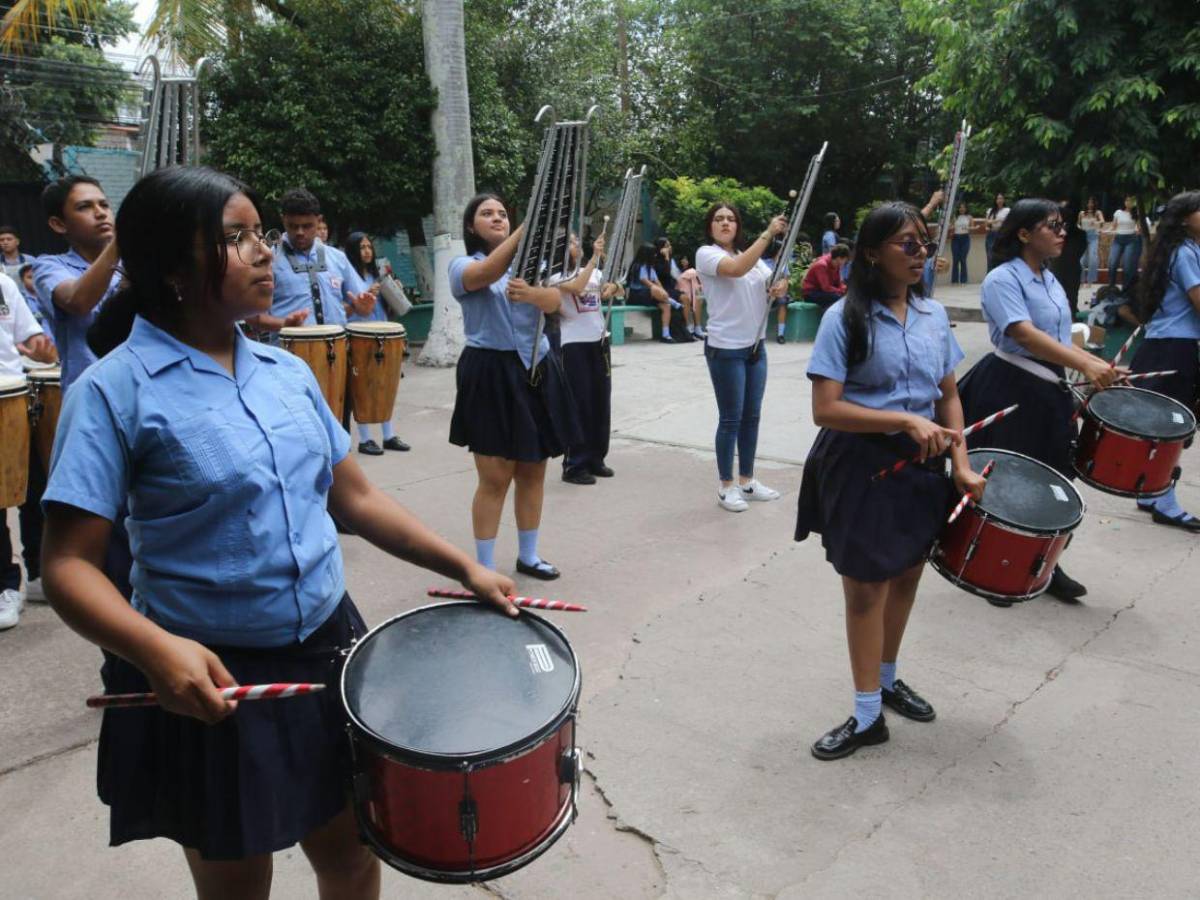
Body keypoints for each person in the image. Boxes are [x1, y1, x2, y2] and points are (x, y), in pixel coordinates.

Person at [38, 166, 518, 897]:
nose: (263, 251)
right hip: (209, 671)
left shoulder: (284, 372)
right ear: (171, 265)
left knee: (355, 855)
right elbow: (69, 565)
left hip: (330, 643)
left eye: (259, 232)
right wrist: (156, 652)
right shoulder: (111, 392)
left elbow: (352, 497)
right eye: (235, 238)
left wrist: (465, 567)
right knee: (237, 885)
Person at [797, 202, 983, 760]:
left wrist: (962, 463)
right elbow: (826, 409)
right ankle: (865, 715)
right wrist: (902, 419)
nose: (920, 253)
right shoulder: (844, 319)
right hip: (861, 464)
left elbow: (948, 393)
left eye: (924, 243)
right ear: (872, 253)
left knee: (905, 575)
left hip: (923, 465)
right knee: (865, 590)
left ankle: (886, 679)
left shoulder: (930, 317)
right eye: (907, 243)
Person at [958, 199, 1124, 607]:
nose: (1062, 232)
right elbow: (1025, 334)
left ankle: (1043, 563)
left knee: (1055, 477)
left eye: (1062, 225)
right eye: (1052, 225)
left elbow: (1059, 338)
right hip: (1011, 384)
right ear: (1024, 233)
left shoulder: (1049, 279)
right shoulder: (1002, 278)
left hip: (1050, 387)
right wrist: (1084, 362)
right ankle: (995, 562)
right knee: (1008, 478)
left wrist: (1092, 365)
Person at [448, 193, 580, 580]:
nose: (497, 218)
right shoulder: (462, 265)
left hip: (535, 368)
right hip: (489, 372)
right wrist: (527, 228)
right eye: (486, 214)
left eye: (503, 214)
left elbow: (558, 301)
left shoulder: (534, 266)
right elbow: (485, 274)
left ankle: (529, 555)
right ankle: (484, 568)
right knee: (494, 477)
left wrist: (536, 294)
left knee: (533, 470)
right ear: (471, 226)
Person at [694, 202, 790, 512]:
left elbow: (768, 286)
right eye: (719, 219)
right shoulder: (707, 254)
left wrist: (779, 287)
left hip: (755, 347)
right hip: (726, 348)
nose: (725, 223)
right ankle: (726, 486)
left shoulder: (756, 261)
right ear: (710, 226)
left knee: (752, 416)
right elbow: (736, 271)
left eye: (730, 219)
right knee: (731, 418)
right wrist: (768, 233)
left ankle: (747, 480)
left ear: (737, 225)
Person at [1128, 190, 1200, 530]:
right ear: (1185, 219)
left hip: (1163, 344)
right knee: (1174, 426)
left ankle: (1151, 492)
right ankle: (1164, 501)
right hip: (1177, 348)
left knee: (1164, 425)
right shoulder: (1185, 253)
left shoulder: (1177, 250)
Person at [0, 271, 57, 629]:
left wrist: (41, 345)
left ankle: (9, 584)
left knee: (17, 493)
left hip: (8, 389)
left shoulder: (3, 283)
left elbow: (32, 337)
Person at [32, 175, 124, 390]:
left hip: (139, 392)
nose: (101, 213)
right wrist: (119, 242)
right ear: (58, 224)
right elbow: (78, 300)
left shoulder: (134, 263)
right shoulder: (49, 266)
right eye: (84, 207)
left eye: (104, 205)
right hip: (89, 396)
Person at [244, 188, 373, 334]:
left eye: (307, 226)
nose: (300, 232)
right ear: (283, 220)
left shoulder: (338, 258)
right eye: (293, 226)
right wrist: (284, 324)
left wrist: (362, 308)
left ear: (318, 221)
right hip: (288, 352)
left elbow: (360, 306)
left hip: (336, 352)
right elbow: (251, 316)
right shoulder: (268, 260)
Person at [554, 233, 618, 485]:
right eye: (570, 242)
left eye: (577, 241)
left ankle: (596, 458)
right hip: (573, 345)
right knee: (579, 403)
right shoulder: (556, 276)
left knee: (600, 402)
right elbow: (576, 288)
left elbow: (611, 287)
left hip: (599, 341)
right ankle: (574, 464)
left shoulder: (591, 271)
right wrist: (594, 258)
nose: (576, 245)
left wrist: (614, 287)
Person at [342, 230, 411, 456]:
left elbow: (393, 307)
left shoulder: (376, 275)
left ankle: (389, 435)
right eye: (362, 248)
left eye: (369, 247)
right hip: (359, 335)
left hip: (382, 334)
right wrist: (364, 296)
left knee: (385, 384)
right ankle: (365, 438)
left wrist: (394, 291)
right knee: (362, 388)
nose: (367, 252)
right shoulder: (348, 275)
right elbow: (342, 308)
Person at [626, 242, 680, 343]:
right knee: (654, 289)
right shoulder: (638, 266)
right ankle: (672, 301)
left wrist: (663, 291)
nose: (655, 255)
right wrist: (660, 292)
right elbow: (646, 282)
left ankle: (665, 334)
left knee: (666, 306)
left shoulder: (650, 267)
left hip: (650, 295)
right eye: (653, 253)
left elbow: (657, 282)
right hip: (637, 295)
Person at [1050, 198, 1086, 313]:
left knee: (1069, 298)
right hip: (1063, 267)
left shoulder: (1076, 234)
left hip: (1067, 268)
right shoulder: (1055, 229)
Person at [1104, 195, 1142, 289]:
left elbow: (1139, 226)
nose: (1128, 203)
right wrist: (1106, 231)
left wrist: (1138, 231)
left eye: (1131, 201)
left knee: (1127, 266)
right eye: (1127, 200)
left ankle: (1126, 289)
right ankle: (1111, 287)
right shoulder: (1118, 212)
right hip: (1118, 239)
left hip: (1131, 239)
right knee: (1112, 263)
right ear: (1124, 202)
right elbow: (1114, 226)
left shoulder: (1136, 213)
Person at [801, 243, 850, 308]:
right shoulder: (822, 265)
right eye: (845, 260)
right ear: (839, 258)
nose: (845, 262)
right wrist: (841, 291)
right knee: (838, 298)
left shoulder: (837, 265)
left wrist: (845, 289)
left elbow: (838, 283)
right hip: (811, 293)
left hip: (822, 291)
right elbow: (826, 288)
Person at [675, 254, 706, 339]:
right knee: (687, 299)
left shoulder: (692, 272)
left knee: (698, 298)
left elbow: (697, 286)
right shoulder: (676, 270)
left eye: (686, 259)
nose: (684, 261)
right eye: (682, 259)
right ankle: (689, 327)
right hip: (679, 292)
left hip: (691, 293)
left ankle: (697, 328)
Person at [1078, 196, 1105, 288]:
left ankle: (1090, 281)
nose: (1090, 204)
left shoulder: (1097, 212)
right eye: (1088, 202)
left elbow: (1102, 221)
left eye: (1092, 202)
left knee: (1093, 258)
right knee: (1081, 260)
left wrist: (1096, 223)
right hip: (1083, 236)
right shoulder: (1082, 213)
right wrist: (1079, 227)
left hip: (1093, 235)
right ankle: (1081, 281)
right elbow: (1078, 223)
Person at [984, 192, 1010, 269]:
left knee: (1001, 256)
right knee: (990, 256)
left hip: (1002, 234)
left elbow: (1008, 221)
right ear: (995, 200)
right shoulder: (990, 210)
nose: (1000, 200)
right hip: (991, 234)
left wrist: (993, 221)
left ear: (1004, 200)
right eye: (998, 198)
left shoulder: (1007, 210)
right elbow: (986, 222)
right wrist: (997, 220)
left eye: (1001, 198)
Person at [950, 201, 973, 284]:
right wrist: (951, 228)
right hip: (956, 238)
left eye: (963, 207)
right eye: (960, 207)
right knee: (955, 259)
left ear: (966, 208)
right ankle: (954, 280)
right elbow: (951, 228)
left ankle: (964, 280)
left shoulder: (969, 217)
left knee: (963, 259)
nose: (962, 209)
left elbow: (971, 228)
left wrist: (972, 228)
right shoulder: (955, 217)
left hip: (965, 238)